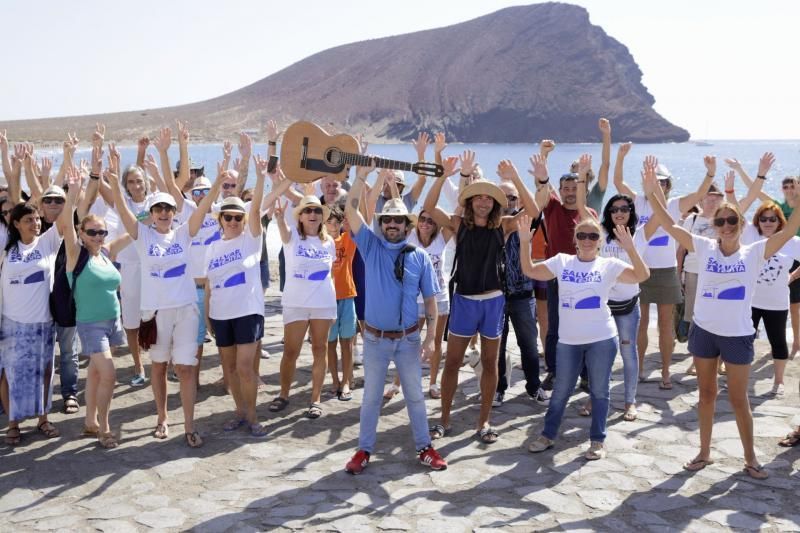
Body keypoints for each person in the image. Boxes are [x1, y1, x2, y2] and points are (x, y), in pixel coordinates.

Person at [642, 153, 796, 480]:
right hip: (704, 332)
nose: (726, 226)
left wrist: (794, 199)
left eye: (732, 221)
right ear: (714, 225)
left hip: (737, 334)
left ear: (742, 225)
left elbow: (792, 226)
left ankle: (751, 459)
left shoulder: (755, 251)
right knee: (706, 395)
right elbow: (668, 222)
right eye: (721, 221)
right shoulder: (703, 246)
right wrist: (651, 189)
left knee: (739, 399)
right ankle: (704, 452)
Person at [424, 150, 541, 444]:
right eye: (479, 197)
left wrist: (515, 178)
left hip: (493, 302)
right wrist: (442, 177)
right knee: (452, 363)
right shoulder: (458, 223)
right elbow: (428, 207)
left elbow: (535, 210)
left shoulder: (504, 226)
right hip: (463, 301)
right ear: (470, 201)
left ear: (495, 204)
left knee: (491, 365)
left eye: (489, 198)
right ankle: (444, 420)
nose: (484, 201)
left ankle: (484, 422)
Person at [108, 125, 212, 448]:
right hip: (155, 314)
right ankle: (162, 418)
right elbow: (125, 213)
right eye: (159, 209)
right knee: (158, 366)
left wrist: (216, 187)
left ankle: (190, 425)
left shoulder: (183, 232)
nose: (165, 213)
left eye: (169, 209)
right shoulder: (144, 237)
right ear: (151, 214)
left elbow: (203, 211)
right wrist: (114, 182)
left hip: (184, 311)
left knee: (186, 368)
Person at [343, 162, 446, 474]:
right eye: (386, 219)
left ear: (407, 225)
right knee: (371, 399)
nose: (391, 224)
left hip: (408, 340)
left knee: (415, 398)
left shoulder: (419, 257)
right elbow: (350, 209)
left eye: (398, 220)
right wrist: (360, 177)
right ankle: (363, 451)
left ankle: (425, 447)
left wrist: (430, 338)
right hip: (374, 339)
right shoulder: (370, 246)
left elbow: (431, 300)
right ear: (382, 222)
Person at [520, 213, 650, 460]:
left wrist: (631, 247)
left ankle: (597, 440)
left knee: (600, 391)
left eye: (593, 236)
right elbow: (529, 270)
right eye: (582, 235)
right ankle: (547, 435)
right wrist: (526, 242)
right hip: (569, 341)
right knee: (561, 391)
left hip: (602, 338)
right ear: (575, 240)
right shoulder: (562, 261)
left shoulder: (609, 265)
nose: (587, 240)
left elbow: (641, 276)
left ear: (600, 241)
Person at [615, 151, 716, 389]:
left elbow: (701, 194)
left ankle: (666, 371)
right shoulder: (636, 201)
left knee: (665, 324)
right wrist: (620, 155)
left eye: (662, 180)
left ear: (668, 184)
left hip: (666, 270)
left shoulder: (674, 204)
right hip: (639, 269)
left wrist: (710, 172)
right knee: (639, 323)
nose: (657, 183)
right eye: (653, 179)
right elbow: (618, 182)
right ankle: (639, 370)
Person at [204, 155, 289, 436]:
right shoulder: (213, 248)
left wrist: (262, 177)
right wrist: (207, 318)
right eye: (227, 216)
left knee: (244, 367)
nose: (232, 221)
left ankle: (252, 416)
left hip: (246, 313)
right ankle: (238, 411)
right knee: (229, 368)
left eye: (237, 217)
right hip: (220, 314)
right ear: (220, 219)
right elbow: (209, 286)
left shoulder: (251, 238)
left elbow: (257, 210)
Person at [0, 180, 76, 445]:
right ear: (16, 223)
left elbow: (65, 222)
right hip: (12, 323)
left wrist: (72, 191)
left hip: (43, 322)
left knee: (44, 372)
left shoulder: (47, 244)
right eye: (29, 220)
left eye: (36, 219)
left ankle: (43, 418)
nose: (35, 223)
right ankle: (13, 422)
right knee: (12, 374)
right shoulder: (6, 249)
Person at [62, 167, 124, 448]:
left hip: (113, 321)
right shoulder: (77, 255)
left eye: (102, 232)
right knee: (109, 374)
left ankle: (90, 422)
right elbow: (66, 224)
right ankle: (105, 429)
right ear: (81, 233)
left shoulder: (106, 253)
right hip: (90, 325)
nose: (99, 236)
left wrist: (149, 213)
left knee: (97, 374)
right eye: (93, 232)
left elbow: (134, 232)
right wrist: (73, 196)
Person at [270, 193, 336, 419]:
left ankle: (315, 399)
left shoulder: (329, 243)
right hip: (295, 303)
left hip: (323, 305)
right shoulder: (292, 238)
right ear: (300, 216)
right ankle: (283, 394)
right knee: (290, 351)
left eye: (317, 211)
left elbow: (330, 275)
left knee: (320, 349)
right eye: (308, 210)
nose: (313, 214)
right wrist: (279, 218)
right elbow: (283, 231)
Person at [491, 179, 549, 407]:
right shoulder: (489, 223)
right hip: (495, 296)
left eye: (512, 197)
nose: (507, 202)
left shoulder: (527, 220)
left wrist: (530, 178)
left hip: (524, 294)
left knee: (529, 344)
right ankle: (498, 388)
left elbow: (539, 202)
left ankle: (534, 386)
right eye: (503, 197)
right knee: (497, 345)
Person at [325, 206, 358, 401]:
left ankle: (346, 382)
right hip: (326, 299)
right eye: (329, 221)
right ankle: (334, 381)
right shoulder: (319, 242)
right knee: (330, 343)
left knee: (347, 342)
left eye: (336, 221)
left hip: (347, 297)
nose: (333, 225)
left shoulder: (346, 240)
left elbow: (357, 222)